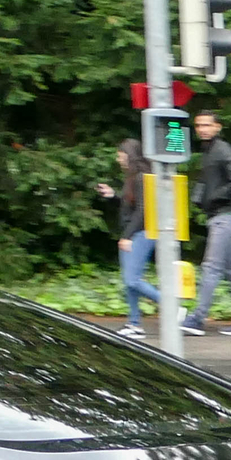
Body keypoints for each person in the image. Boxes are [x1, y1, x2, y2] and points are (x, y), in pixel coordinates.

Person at [182, 109, 231, 337]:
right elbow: (208, 180)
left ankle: (197, 319)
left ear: (218, 127)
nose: (202, 129)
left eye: (207, 125)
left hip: (226, 217)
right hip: (221, 217)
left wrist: (213, 197)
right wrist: (201, 199)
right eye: (199, 126)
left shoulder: (222, 149)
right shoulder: (209, 151)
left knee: (211, 268)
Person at [96, 139, 163, 338]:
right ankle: (134, 323)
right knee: (130, 281)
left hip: (140, 233)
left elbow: (143, 210)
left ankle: (170, 306)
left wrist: (127, 236)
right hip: (133, 232)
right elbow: (131, 207)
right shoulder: (132, 177)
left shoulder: (142, 177)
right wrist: (113, 196)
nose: (118, 159)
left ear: (129, 154)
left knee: (132, 280)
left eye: (120, 154)